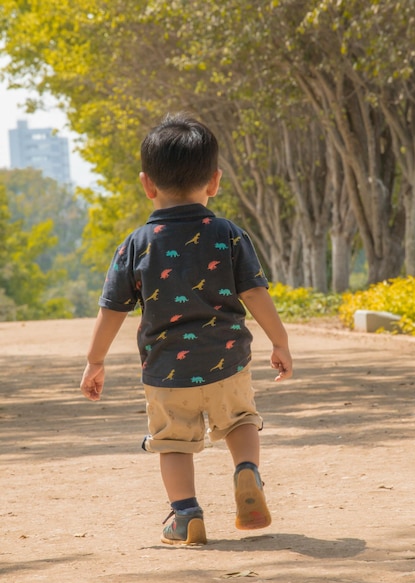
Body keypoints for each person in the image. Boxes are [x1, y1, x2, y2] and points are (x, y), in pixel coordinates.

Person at [80, 112, 293, 546]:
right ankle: (247, 472)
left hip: (166, 372)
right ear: (214, 182)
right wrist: (280, 340)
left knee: (173, 442)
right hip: (227, 359)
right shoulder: (228, 234)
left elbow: (111, 310)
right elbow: (254, 293)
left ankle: (186, 515)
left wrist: (94, 361)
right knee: (239, 421)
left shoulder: (136, 244)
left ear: (147, 184)